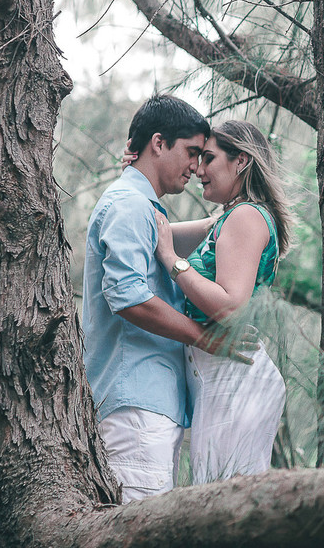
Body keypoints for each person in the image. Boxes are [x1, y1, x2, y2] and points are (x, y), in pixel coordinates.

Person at [82, 94, 250, 502]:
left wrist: (242, 208)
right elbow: (129, 298)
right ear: (159, 143)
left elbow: (191, 233)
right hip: (136, 408)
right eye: (192, 153)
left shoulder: (142, 207)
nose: (196, 167)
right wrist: (202, 336)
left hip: (146, 407)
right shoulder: (129, 206)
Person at [152, 120, 292, 482]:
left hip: (235, 377)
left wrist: (173, 261)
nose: (199, 169)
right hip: (223, 376)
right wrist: (140, 172)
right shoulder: (228, 219)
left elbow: (231, 307)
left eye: (209, 158)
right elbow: (156, 230)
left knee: (224, 503)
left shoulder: (246, 216)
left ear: (241, 161)